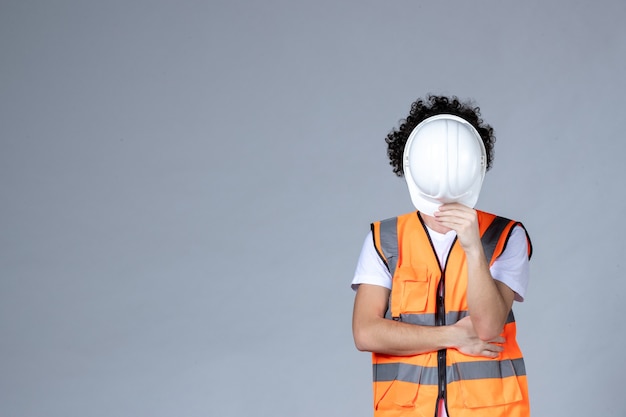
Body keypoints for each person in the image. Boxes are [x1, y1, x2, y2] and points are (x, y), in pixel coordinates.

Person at [351, 95, 532, 417]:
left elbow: (489, 327)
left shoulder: (506, 235)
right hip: (406, 410)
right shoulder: (384, 239)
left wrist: (474, 249)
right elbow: (366, 333)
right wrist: (454, 336)